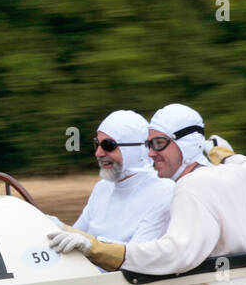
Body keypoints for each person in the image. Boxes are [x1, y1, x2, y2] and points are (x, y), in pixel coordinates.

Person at [48, 103, 246, 274]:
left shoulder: (187, 187)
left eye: (159, 144)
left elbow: (175, 253)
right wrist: (223, 155)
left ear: (185, 144)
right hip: (235, 276)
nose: (150, 153)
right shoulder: (229, 173)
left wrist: (97, 248)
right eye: (149, 144)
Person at [47, 110, 174, 256]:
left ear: (133, 150)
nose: (98, 153)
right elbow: (77, 233)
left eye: (108, 145)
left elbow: (139, 255)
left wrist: (91, 245)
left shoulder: (164, 191)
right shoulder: (102, 187)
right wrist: (55, 226)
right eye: (97, 144)